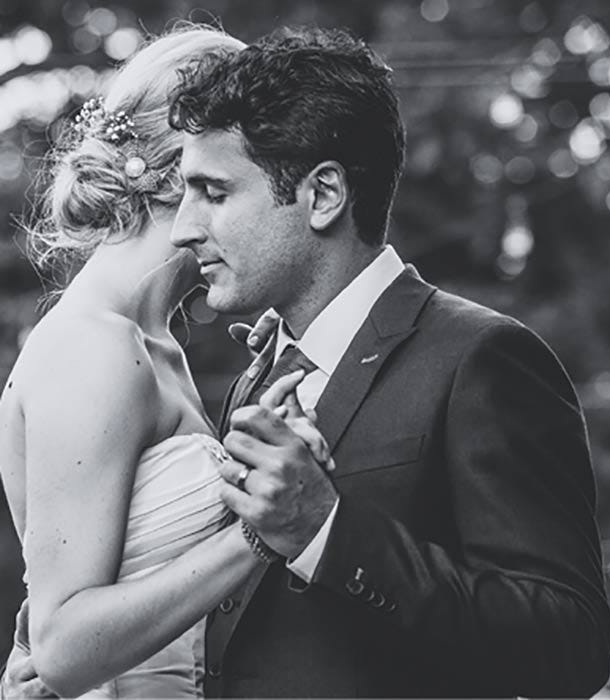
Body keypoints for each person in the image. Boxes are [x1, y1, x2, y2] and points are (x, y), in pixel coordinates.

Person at [166, 25, 610, 698]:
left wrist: (328, 532)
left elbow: (570, 645)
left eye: (215, 192)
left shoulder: (482, 358)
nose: (184, 228)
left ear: (324, 195)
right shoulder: (255, 378)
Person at [0, 26, 331, 698]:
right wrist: (256, 537)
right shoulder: (93, 347)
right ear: (192, 170)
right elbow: (62, 647)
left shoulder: (154, 344)